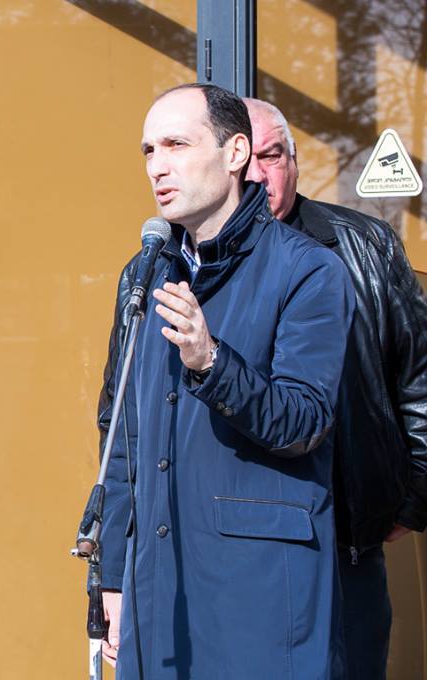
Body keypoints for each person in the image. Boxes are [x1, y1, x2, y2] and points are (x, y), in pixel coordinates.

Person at [96, 83, 355, 679]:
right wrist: (112, 575)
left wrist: (211, 361)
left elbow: (303, 421)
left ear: (236, 153)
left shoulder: (310, 270)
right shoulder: (144, 271)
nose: (157, 166)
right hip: (157, 585)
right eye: (148, 150)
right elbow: (122, 433)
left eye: (176, 145)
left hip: (260, 592)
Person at [244, 96, 427, 680]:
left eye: (272, 156)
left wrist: (414, 497)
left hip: (344, 541)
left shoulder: (366, 245)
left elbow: (418, 374)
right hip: (235, 549)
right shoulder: (178, 261)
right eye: (246, 160)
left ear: (294, 161)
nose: (258, 176)